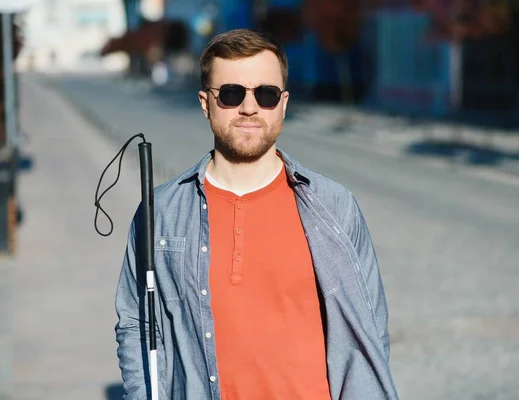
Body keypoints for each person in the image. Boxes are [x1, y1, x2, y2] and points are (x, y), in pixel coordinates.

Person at [115, 28, 399, 399]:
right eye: (231, 94)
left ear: (283, 103)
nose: (249, 108)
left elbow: (370, 329)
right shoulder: (161, 212)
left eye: (265, 94)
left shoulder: (335, 205)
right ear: (206, 103)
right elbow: (137, 324)